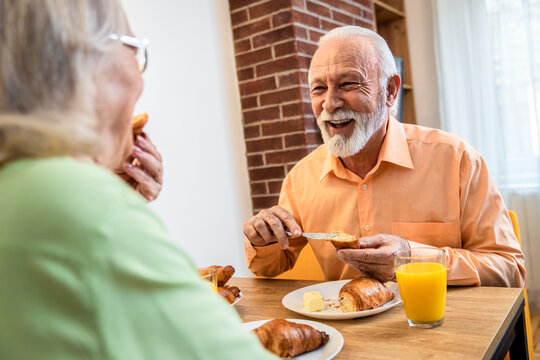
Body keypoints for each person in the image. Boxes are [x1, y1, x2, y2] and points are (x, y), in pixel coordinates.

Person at [0, 1, 277, 359]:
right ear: (79, 58)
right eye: (134, 49)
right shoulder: (83, 206)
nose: (140, 78)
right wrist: (104, 199)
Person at [243, 26, 526, 288]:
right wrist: (263, 239)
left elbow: (509, 270)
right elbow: (271, 267)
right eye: (318, 89)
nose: (330, 103)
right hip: (346, 338)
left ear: (390, 91)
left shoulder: (456, 160)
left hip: (440, 331)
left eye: (349, 84)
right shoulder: (300, 180)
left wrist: (411, 257)